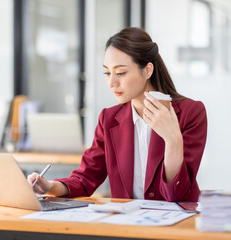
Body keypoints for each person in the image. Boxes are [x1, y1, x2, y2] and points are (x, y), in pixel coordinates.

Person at [27, 27, 207, 202]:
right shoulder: (109, 119)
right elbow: (85, 179)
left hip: (178, 226)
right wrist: (49, 186)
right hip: (126, 225)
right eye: (107, 72)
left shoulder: (190, 113)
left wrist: (173, 140)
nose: (111, 82)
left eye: (120, 72)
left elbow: (176, 194)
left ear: (147, 70)